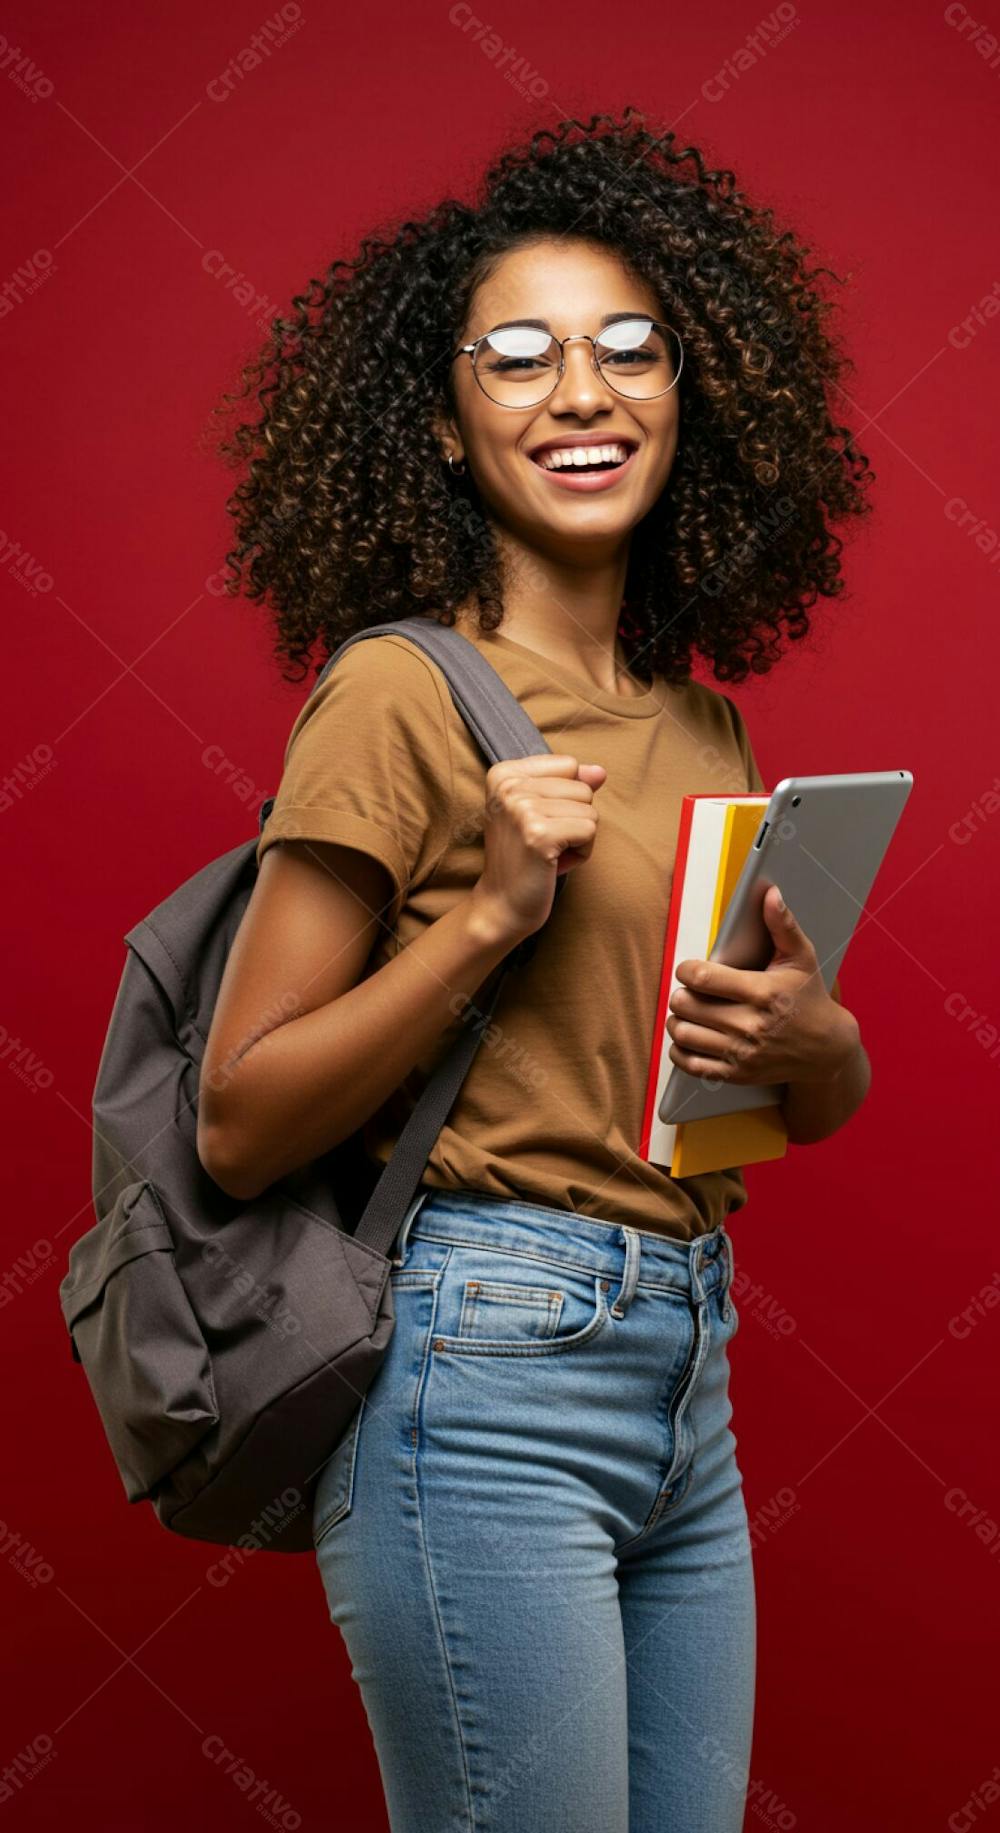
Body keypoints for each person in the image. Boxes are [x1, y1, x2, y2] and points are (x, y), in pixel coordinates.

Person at [198, 107, 873, 1833]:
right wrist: (492, 913)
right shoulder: (399, 694)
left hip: (683, 1368)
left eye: (627, 348)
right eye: (518, 357)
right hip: (485, 1369)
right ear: (442, 418)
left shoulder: (703, 726)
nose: (581, 392)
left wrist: (816, 1034)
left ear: (688, 391)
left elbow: (786, 1100)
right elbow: (239, 1119)